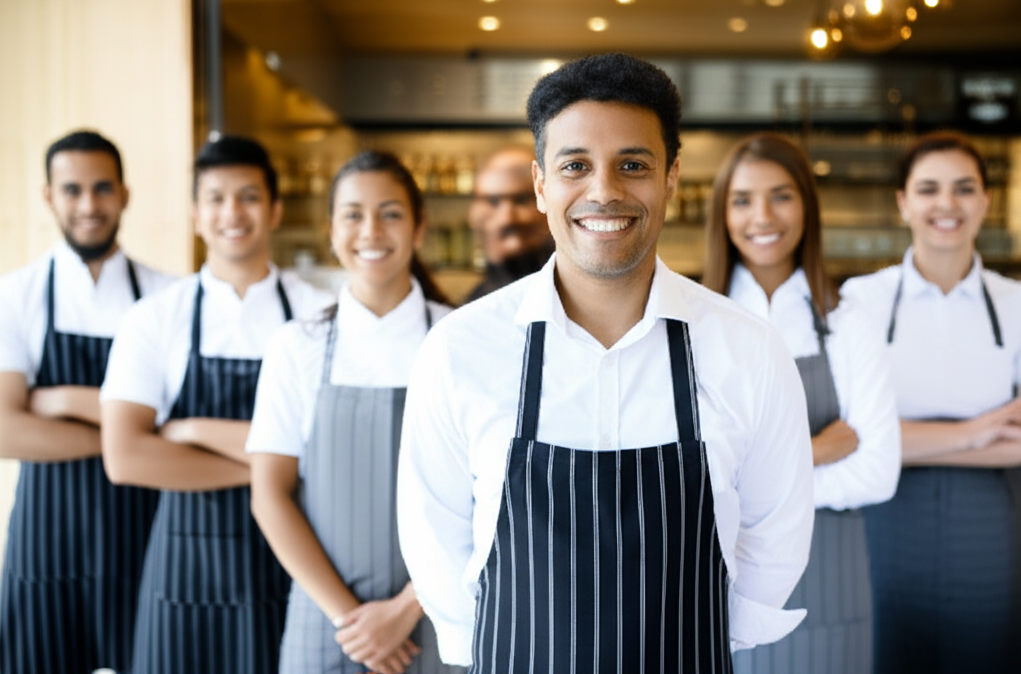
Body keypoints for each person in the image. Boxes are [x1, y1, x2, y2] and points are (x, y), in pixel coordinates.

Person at [396, 53, 815, 672]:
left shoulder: (749, 349)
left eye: (633, 165)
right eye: (575, 166)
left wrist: (704, 642)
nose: (604, 191)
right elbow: (434, 533)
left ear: (672, 177)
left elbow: (776, 531)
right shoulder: (460, 349)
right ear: (542, 185)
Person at [99, 135, 332, 673]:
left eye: (248, 196)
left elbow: (323, 452)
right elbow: (126, 457)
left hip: (292, 569)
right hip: (182, 578)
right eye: (216, 198)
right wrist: (271, 472)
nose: (232, 212)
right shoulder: (154, 318)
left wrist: (191, 430)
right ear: (195, 215)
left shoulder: (319, 315)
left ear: (274, 210)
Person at [247, 150, 462, 674]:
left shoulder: (461, 339)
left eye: (390, 213)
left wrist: (406, 608)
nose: (371, 229)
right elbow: (269, 495)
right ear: (331, 230)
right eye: (353, 214)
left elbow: (489, 497)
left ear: (419, 228)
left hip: (438, 615)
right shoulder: (296, 345)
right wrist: (355, 622)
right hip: (328, 624)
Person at [702, 133, 901, 674]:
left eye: (781, 195)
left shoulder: (847, 318)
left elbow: (878, 473)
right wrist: (815, 450)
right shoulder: (693, 323)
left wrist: (753, 476)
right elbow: (697, 474)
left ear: (807, 207)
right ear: (721, 213)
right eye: (742, 199)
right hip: (720, 581)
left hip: (831, 578)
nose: (761, 215)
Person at [840, 131, 1021, 674]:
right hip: (882, 520)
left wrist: (895, 440)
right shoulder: (860, 301)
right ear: (903, 203)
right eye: (929, 189)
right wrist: (977, 432)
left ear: (986, 201)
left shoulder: (1016, 304)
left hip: (993, 527)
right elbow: (846, 436)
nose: (947, 204)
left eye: (964, 188)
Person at [0, 130, 175, 674]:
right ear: (49, 197)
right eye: (72, 190)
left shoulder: (169, 298)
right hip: (46, 543)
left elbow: (179, 421)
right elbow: (6, 430)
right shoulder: (16, 294)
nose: (88, 205)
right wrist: (128, 438)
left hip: (146, 536)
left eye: (102, 189)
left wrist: (57, 400)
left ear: (124, 194)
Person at [464, 146, 554, 302]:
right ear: (473, 215)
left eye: (522, 200)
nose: (507, 218)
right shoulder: (472, 309)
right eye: (493, 201)